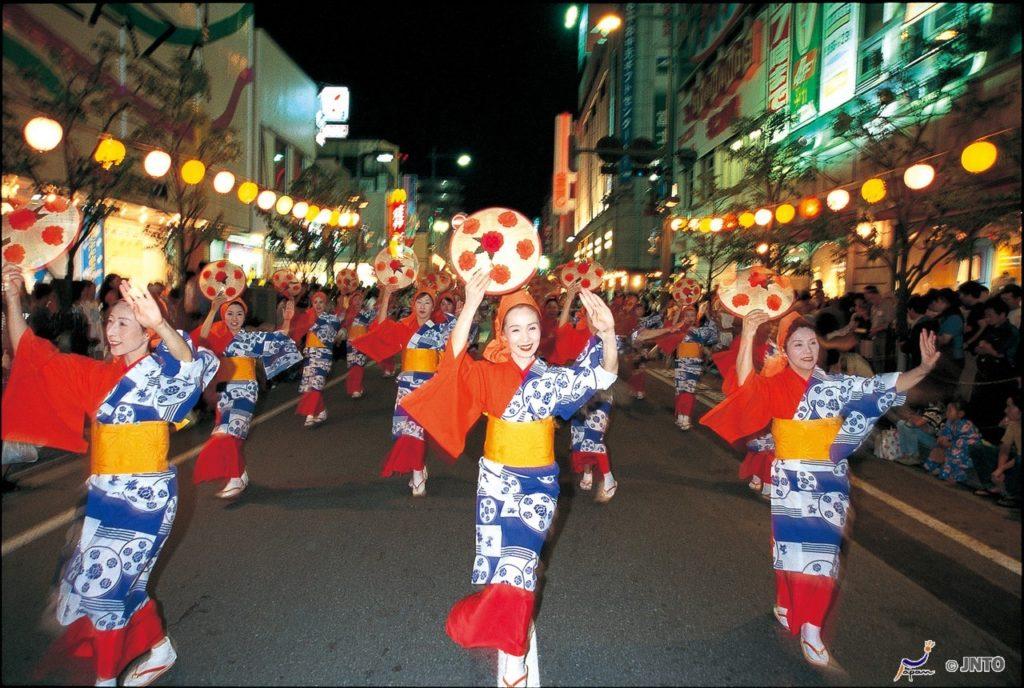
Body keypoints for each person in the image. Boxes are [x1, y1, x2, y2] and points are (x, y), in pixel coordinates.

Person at [1, 263, 218, 687]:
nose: (112, 330)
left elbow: (189, 365)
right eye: (109, 321)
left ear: (146, 328)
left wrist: (163, 325)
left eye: (124, 321)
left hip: (145, 499)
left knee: (103, 593)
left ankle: (104, 681)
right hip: (102, 496)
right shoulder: (97, 376)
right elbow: (31, 353)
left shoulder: (161, 368)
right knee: (120, 585)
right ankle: (159, 649)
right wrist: (12, 299)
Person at [399, 273, 618, 688]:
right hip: (495, 483)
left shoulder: (552, 378)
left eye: (532, 327)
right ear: (502, 331)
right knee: (503, 571)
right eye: (515, 328)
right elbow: (454, 358)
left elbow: (602, 377)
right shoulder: (486, 374)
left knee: (519, 568)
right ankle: (491, 624)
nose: (525, 336)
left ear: (542, 329)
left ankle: (514, 656)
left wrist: (606, 336)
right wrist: (469, 303)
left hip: (539, 485)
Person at [700, 309, 938, 667]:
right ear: (785, 351)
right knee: (788, 548)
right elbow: (748, 386)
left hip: (829, 481)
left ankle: (811, 627)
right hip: (791, 478)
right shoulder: (778, 383)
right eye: (798, 344)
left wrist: (923, 369)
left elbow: (880, 386)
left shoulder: (834, 384)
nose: (808, 350)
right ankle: (785, 601)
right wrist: (748, 334)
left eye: (812, 342)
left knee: (821, 557)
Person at [350, 284, 456, 497]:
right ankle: (418, 468)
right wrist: (387, 295)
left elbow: (456, 347)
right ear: (413, 304)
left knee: (418, 430)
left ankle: (418, 470)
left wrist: (461, 311)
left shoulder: (441, 328)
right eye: (419, 302)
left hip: (429, 386)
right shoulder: (404, 327)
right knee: (408, 431)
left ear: (433, 306)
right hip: (407, 385)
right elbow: (380, 328)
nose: (423, 306)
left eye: (428, 303)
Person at [191, 295, 302, 498]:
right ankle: (241, 474)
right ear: (223, 315)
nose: (234, 318)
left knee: (227, 432)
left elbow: (279, 339)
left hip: (246, 391)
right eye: (230, 314)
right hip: (224, 392)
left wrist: (287, 319)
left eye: (239, 314)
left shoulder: (250, 338)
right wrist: (213, 309)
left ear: (245, 316)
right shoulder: (217, 334)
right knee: (231, 435)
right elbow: (199, 339)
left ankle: (235, 479)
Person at [634, 303, 718, 430]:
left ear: (696, 317)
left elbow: (711, 337)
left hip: (694, 364)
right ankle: (680, 416)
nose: (689, 318)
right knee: (680, 389)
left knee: (689, 389)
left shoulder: (700, 330)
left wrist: (707, 316)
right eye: (687, 315)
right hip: (680, 362)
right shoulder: (679, 329)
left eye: (692, 315)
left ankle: (686, 418)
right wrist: (678, 311)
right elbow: (669, 328)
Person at [969, 297, 1020, 442]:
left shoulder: (1011, 332)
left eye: (990, 315)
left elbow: (1007, 357)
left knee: (994, 414)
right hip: (982, 377)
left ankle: (990, 445)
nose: (987, 318)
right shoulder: (989, 329)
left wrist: (989, 349)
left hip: (1000, 381)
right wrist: (983, 349)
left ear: (1002, 314)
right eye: (986, 315)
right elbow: (976, 348)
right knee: (977, 412)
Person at [291, 290, 344, 427]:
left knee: (316, 385)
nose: (318, 305)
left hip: (324, 357)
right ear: (312, 304)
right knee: (309, 386)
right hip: (310, 356)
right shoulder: (307, 317)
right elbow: (294, 326)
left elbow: (338, 333)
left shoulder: (332, 319)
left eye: (321, 302)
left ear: (325, 304)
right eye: (315, 302)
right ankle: (320, 411)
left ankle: (310, 414)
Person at [971, 395, 1021, 507]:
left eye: (1009, 407)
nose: (1005, 410)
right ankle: (993, 486)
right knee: (977, 447)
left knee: (1018, 460)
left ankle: (1013, 496)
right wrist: (999, 471)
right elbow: (1004, 449)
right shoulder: (1013, 424)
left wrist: (1002, 468)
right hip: (1016, 458)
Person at [921, 399, 982, 484]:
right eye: (947, 410)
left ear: (960, 414)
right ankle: (935, 467)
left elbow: (967, 442)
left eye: (950, 411)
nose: (947, 413)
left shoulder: (966, 425)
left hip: (969, 450)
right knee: (938, 446)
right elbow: (945, 433)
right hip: (954, 446)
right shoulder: (949, 422)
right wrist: (942, 439)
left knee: (955, 453)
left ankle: (953, 476)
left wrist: (949, 444)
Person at [340, 290, 373, 398]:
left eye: (360, 299)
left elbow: (372, 325)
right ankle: (355, 387)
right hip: (350, 343)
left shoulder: (367, 312)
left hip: (362, 342)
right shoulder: (347, 313)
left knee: (358, 365)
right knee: (352, 365)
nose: (358, 301)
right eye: (355, 299)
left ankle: (355, 389)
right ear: (351, 301)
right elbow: (340, 322)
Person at [893, 400, 945, 466]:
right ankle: (905, 454)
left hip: (934, 442)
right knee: (901, 423)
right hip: (929, 437)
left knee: (907, 426)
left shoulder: (934, 410)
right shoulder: (926, 408)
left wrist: (910, 417)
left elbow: (918, 424)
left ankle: (913, 456)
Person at [864, 285, 895, 372]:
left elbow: (889, 323)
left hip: (884, 337)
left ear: (872, 294)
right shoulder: (873, 307)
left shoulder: (886, 305)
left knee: (883, 360)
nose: (865, 297)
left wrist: (876, 330)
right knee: (876, 361)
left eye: (866, 294)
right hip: (875, 337)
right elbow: (873, 321)